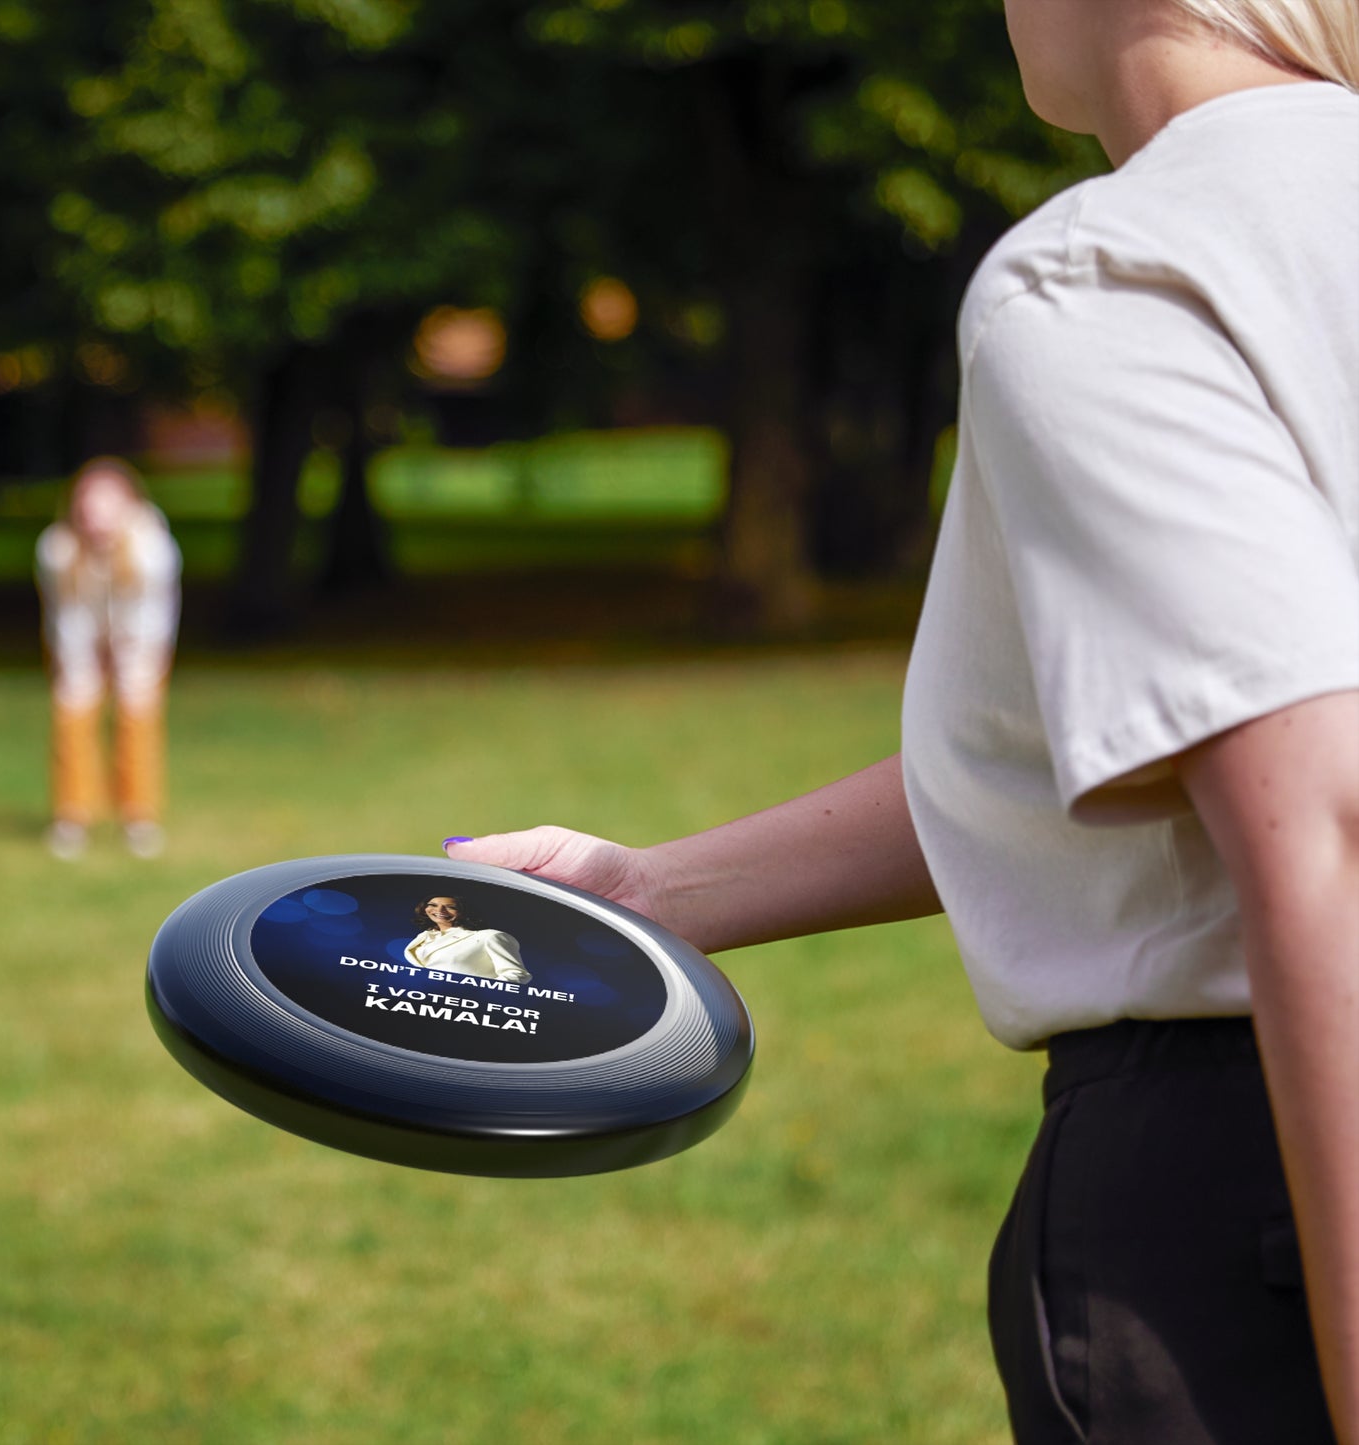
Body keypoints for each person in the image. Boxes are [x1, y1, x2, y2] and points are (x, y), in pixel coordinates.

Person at [441, 2, 1359, 1441]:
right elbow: (1135, 739)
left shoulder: (1119, 270)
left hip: (1257, 1191)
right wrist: (653, 891)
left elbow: (1324, 822)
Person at [35, 457, 182, 860]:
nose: (96, 517)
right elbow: (66, 616)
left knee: (137, 717)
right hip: (79, 640)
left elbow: (153, 616)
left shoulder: (153, 549)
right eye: (88, 506)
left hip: (140, 641)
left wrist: (129, 659)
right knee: (72, 712)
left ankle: (139, 818)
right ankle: (72, 816)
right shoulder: (57, 549)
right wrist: (82, 664)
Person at [405, 896, 532, 984]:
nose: (439, 910)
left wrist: (474, 993)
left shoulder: (490, 936)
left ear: (463, 911)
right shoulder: (423, 938)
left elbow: (517, 974)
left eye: (450, 907)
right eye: (433, 905)